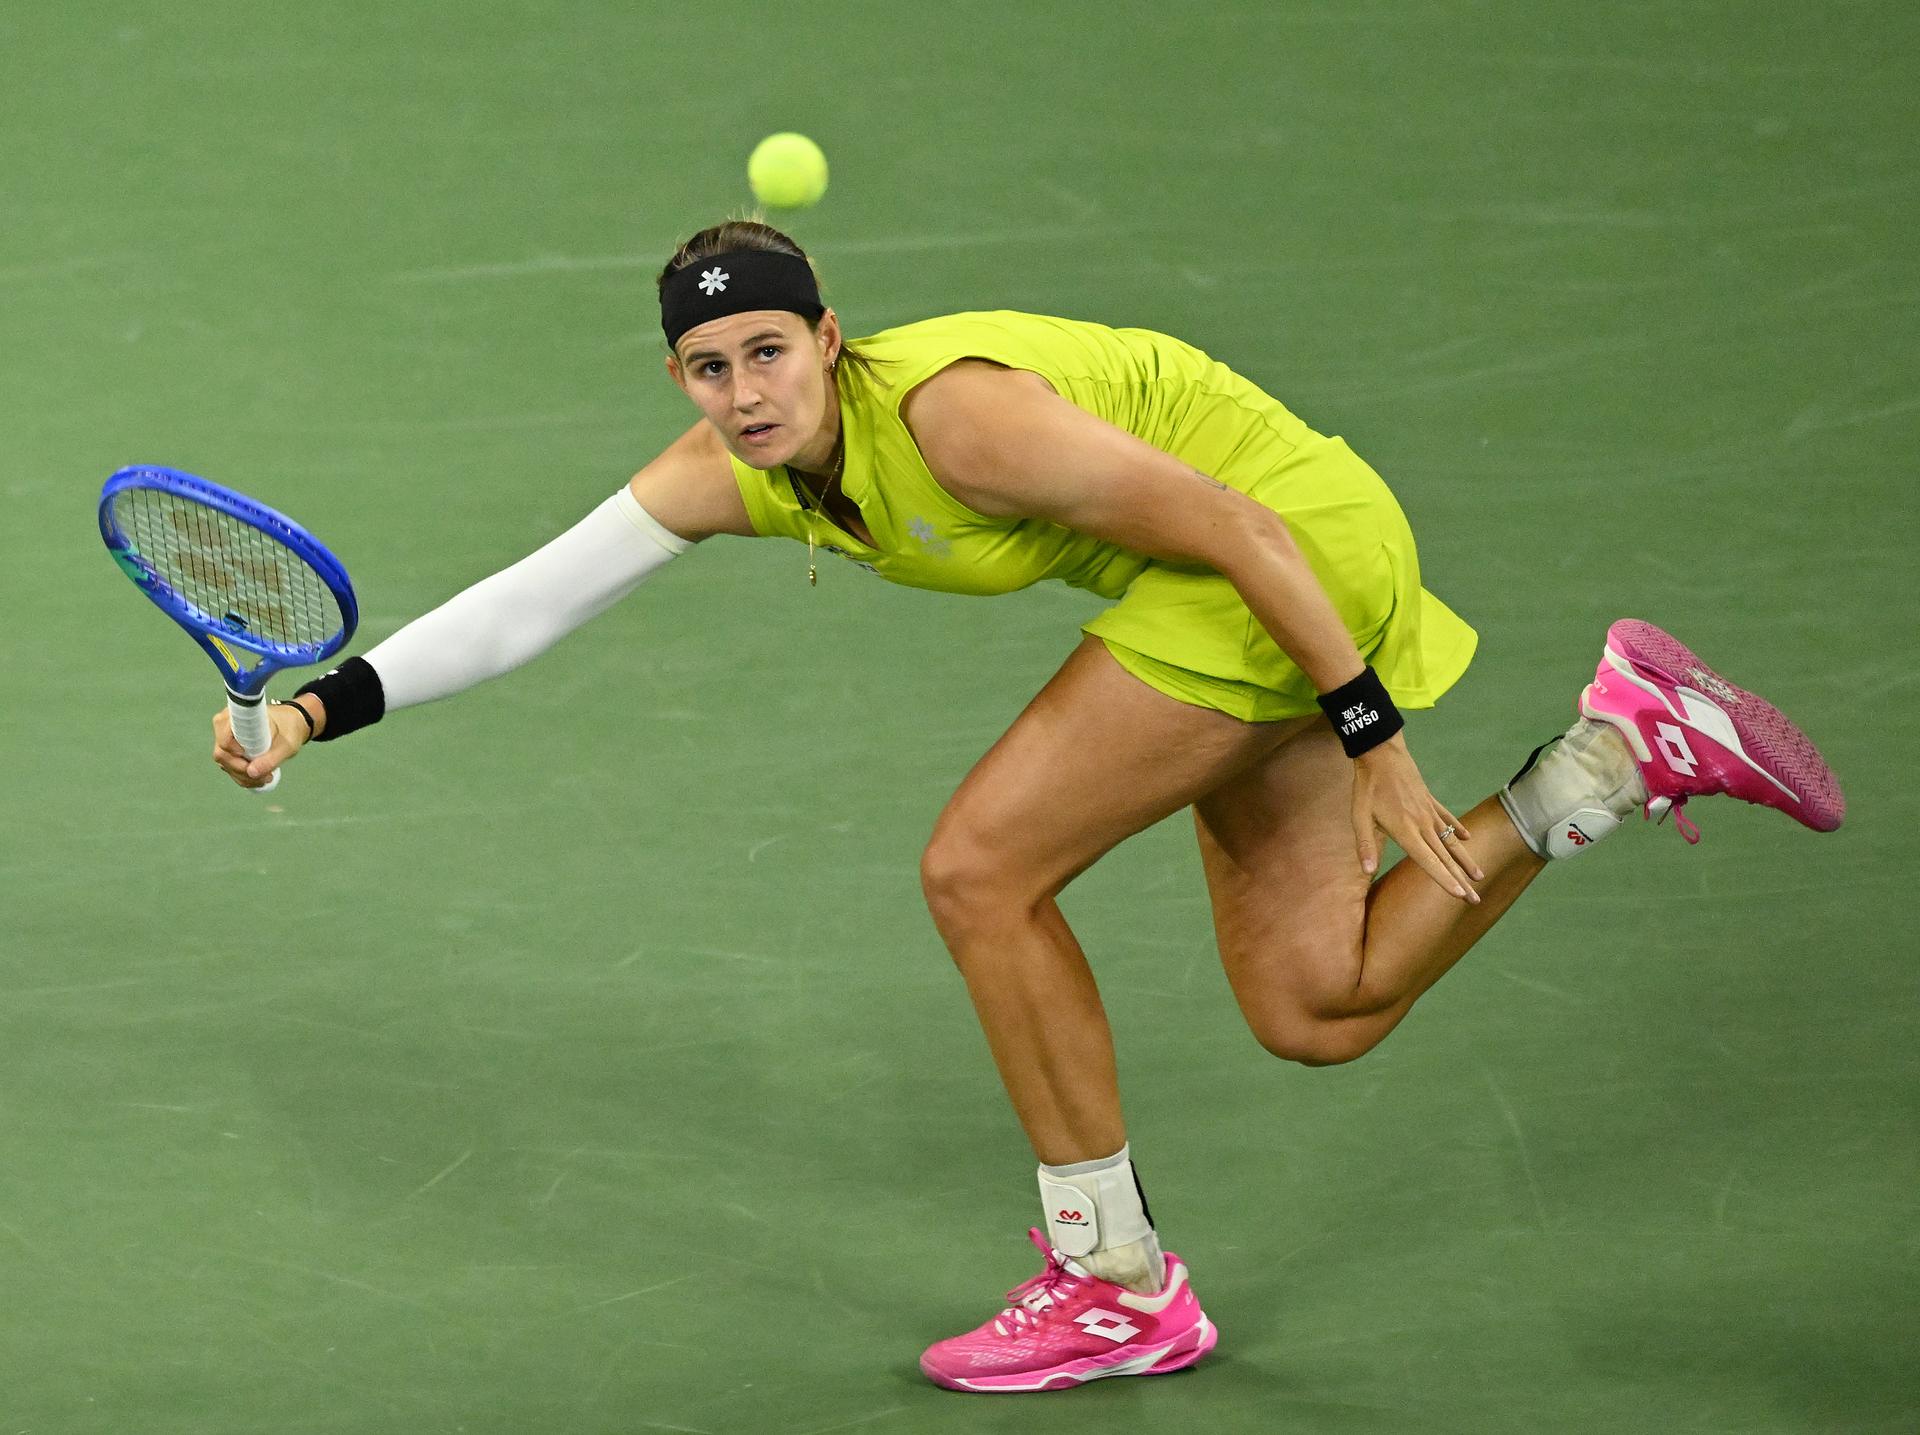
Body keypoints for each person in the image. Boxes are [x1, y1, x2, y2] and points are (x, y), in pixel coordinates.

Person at [213, 219, 1844, 1394]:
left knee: (978, 871)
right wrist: (308, 710)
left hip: (1278, 556)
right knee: (1319, 1004)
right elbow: (525, 604)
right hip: (1218, 583)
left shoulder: (956, 417)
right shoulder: (735, 468)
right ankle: (1616, 754)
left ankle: (1114, 1282)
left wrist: (1369, 735)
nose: (740, 389)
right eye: (708, 367)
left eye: (767, 350)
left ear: (829, 338)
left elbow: (1236, 525)